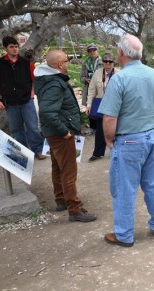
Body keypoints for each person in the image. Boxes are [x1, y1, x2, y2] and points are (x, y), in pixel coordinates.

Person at [99, 34, 154, 247]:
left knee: (124, 189)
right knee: (153, 184)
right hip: (152, 137)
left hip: (129, 141)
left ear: (120, 53)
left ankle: (124, 234)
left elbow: (110, 117)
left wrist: (109, 140)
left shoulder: (119, 79)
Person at [34, 50, 97, 222]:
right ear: (60, 64)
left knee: (58, 167)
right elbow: (47, 112)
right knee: (69, 171)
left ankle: (61, 199)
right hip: (60, 135)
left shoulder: (49, 80)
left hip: (53, 133)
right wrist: (65, 131)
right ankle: (74, 209)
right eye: (67, 60)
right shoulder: (54, 84)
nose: (69, 63)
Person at [0, 36, 45, 160]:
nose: (15, 49)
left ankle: (38, 150)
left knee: (32, 126)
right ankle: (24, 153)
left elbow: (34, 81)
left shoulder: (27, 63)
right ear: (5, 48)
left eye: (16, 46)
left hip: (26, 100)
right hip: (10, 102)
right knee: (16, 129)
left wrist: (32, 94)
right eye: (12, 47)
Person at [86, 52, 118, 162]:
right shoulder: (98, 73)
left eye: (110, 61)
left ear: (113, 62)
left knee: (116, 129)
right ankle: (97, 153)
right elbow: (91, 90)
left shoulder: (119, 73)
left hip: (115, 106)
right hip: (101, 105)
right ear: (102, 62)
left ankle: (116, 151)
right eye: (105, 61)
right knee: (100, 130)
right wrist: (89, 105)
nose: (108, 63)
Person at [80, 44, 103, 136]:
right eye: (90, 51)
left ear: (97, 51)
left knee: (100, 107)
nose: (92, 52)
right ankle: (92, 127)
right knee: (90, 107)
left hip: (100, 88)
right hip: (89, 88)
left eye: (94, 50)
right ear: (88, 53)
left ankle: (101, 128)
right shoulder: (85, 63)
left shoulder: (102, 62)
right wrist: (85, 79)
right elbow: (81, 77)